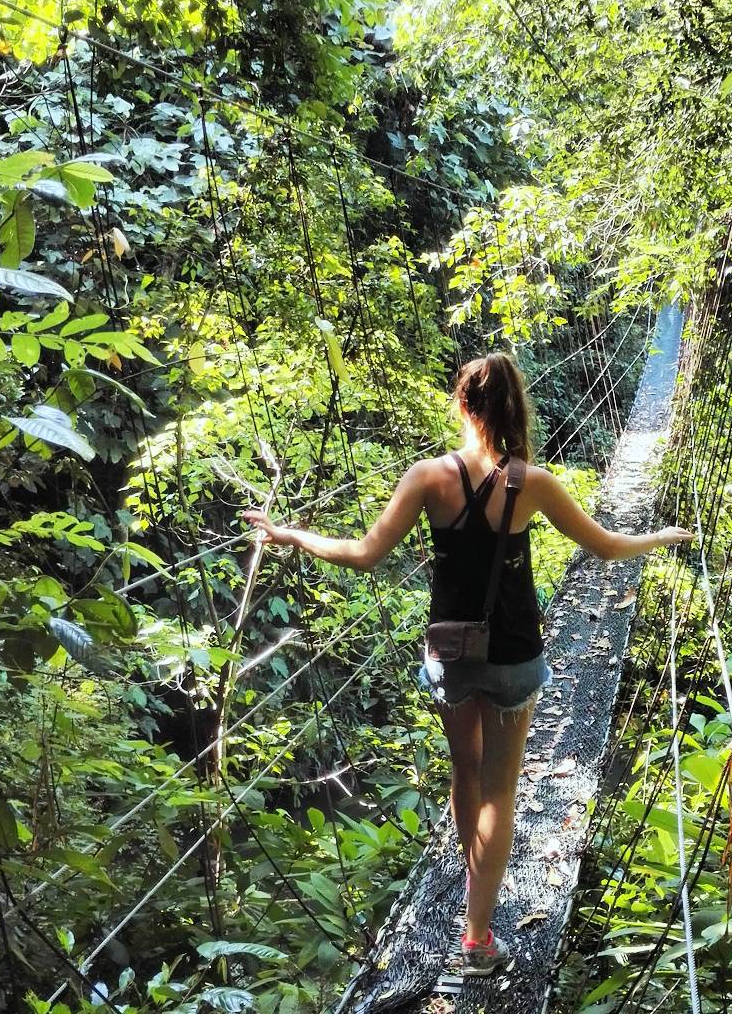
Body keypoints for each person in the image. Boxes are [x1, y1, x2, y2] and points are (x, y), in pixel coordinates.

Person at [243, 352, 692, 977]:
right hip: (513, 654)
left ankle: (472, 870)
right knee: (501, 791)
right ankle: (477, 936)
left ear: (461, 404)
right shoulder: (533, 483)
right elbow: (606, 546)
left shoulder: (429, 478)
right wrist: (662, 538)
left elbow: (363, 554)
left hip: (450, 654)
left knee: (466, 773)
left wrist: (290, 534)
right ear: (515, 409)